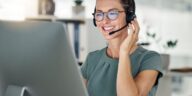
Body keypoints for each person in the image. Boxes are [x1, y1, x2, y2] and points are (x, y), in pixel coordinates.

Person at [81, 0, 163, 96]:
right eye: (99, 14)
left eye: (112, 13)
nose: (104, 21)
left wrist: (123, 52)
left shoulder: (150, 59)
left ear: (129, 16)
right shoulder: (92, 59)